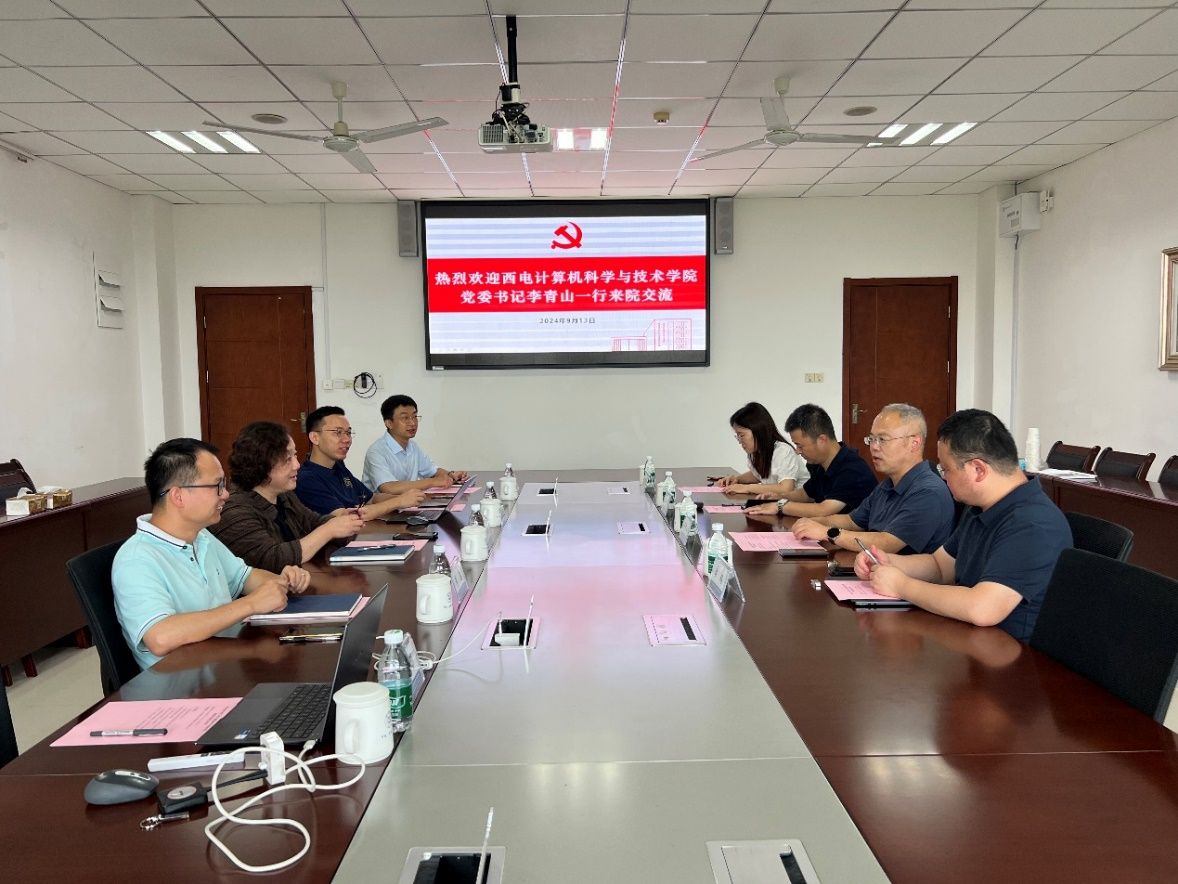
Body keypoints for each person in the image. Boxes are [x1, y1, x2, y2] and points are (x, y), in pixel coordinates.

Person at [854, 409, 1072, 641]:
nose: (943, 477)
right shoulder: (980, 508)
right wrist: (889, 562)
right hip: (969, 638)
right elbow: (940, 566)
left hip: (1011, 653)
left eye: (945, 469)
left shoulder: (1033, 524)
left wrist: (902, 586)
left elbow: (983, 608)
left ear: (978, 470)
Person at [112, 438, 311, 670]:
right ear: (178, 496)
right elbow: (160, 637)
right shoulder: (137, 559)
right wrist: (251, 604)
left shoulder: (201, 537)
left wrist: (282, 581)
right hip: (183, 683)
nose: (225, 494)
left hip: (226, 663)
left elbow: (244, 577)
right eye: (217, 485)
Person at [791, 404, 954, 554]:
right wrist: (813, 523)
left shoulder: (928, 492)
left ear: (914, 443)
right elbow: (851, 521)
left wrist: (827, 532)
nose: (874, 447)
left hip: (905, 575)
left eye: (882, 439)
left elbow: (887, 543)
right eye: (871, 439)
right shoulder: (887, 484)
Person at [210, 421, 364, 571]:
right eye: (287, 458)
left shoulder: (284, 496)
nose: (297, 465)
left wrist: (343, 521)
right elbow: (272, 559)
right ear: (260, 463)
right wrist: (329, 530)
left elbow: (314, 523)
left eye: (294, 455)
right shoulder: (233, 511)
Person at [747, 403, 877, 518]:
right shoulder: (820, 463)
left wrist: (780, 506)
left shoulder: (852, 470)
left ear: (821, 440)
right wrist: (781, 497)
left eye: (800, 445)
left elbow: (823, 510)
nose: (797, 451)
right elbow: (807, 494)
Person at [295, 406, 426, 517]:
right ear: (315, 437)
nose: (347, 439)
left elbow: (371, 498)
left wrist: (409, 500)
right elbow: (345, 518)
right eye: (338, 432)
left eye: (348, 433)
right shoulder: (306, 479)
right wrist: (398, 502)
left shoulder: (338, 466)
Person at [362, 394, 469, 494]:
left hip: (408, 504)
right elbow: (389, 488)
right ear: (389, 423)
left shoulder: (412, 446)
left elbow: (433, 471)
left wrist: (451, 475)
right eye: (405, 418)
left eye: (414, 417)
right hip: (382, 507)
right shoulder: (376, 452)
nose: (413, 423)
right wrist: (431, 482)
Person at [715, 402, 809, 496]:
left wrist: (747, 488)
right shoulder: (756, 452)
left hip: (803, 502)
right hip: (780, 501)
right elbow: (759, 475)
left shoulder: (783, 451)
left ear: (758, 431)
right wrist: (737, 479)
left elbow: (786, 488)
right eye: (737, 436)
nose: (739, 441)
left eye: (741, 435)